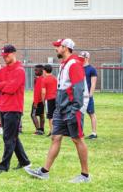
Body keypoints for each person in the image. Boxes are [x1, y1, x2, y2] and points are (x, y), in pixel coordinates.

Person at [26, 39, 91, 183]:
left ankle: (85, 175)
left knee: (77, 139)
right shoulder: (64, 64)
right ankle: (44, 171)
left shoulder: (74, 64)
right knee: (55, 137)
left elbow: (79, 89)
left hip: (73, 109)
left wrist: (74, 109)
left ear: (66, 48)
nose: (56, 49)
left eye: (58, 47)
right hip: (62, 108)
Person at [0, 45, 31, 173]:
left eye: (7, 55)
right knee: (13, 137)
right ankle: (24, 161)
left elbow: (12, 89)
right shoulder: (3, 70)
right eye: (3, 56)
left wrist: (3, 85)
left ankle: (3, 166)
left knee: (8, 137)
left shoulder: (20, 70)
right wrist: (5, 84)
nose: (5, 58)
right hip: (3, 107)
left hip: (14, 108)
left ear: (13, 53)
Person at [81, 51, 98, 139]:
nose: (81, 59)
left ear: (87, 58)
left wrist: (90, 95)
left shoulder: (92, 69)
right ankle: (80, 132)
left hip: (87, 95)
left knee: (91, 113)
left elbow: (93, 83)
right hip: (79, 95)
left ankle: (94, 133)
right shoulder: (79, 68)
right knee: (79, 114)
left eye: (82, 57)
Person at [42, 64, 58, 136]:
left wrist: (43, 100)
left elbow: (43, 92)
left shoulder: (44, 79)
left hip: (48, 99)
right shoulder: (55, 78)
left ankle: (52, 131)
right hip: (56, 98)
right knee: (56, 115)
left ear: (45, 71)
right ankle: (56, 130)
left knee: (50, 116)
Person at [31, 65, 46, 135]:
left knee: (33, 115)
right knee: (41, 115)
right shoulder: (42, 78)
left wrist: (35, 103)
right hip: (42, 101)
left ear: (41, 71)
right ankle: (42, 129)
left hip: (38, 101)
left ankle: (38, 130)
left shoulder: (39, 79)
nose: (35, 71)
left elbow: (37, 92)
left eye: (36, 70)